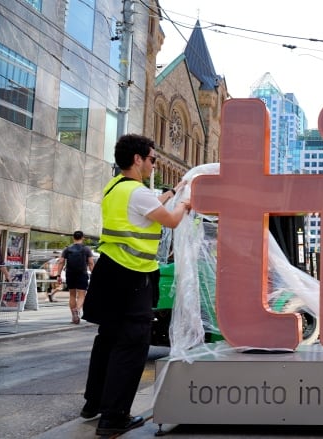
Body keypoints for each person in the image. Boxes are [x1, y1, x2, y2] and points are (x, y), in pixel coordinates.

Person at [80, 134, 189, 436]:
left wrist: (172, 192)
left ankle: (94, 403)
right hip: (133, 277)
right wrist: (185, 204)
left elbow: (146, 207)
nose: (154, 165)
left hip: (109, 273)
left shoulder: (114, 188)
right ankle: (114, 418)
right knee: (132, 345)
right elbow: (171, 221)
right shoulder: (138, 192)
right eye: (153, 159)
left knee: (107, 338)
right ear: (138, 159)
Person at [60, 231, 94, 324]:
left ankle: (73, 317)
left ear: (73, 238)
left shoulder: (67, 249)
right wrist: (93, 273)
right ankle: (77, 310)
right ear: (82, 238)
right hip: (82, 273)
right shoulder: (86, 249)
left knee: (72, 295)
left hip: (70, 274)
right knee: (82, 295)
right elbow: (91, 263)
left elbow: (61, 261)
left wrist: (58, 274)